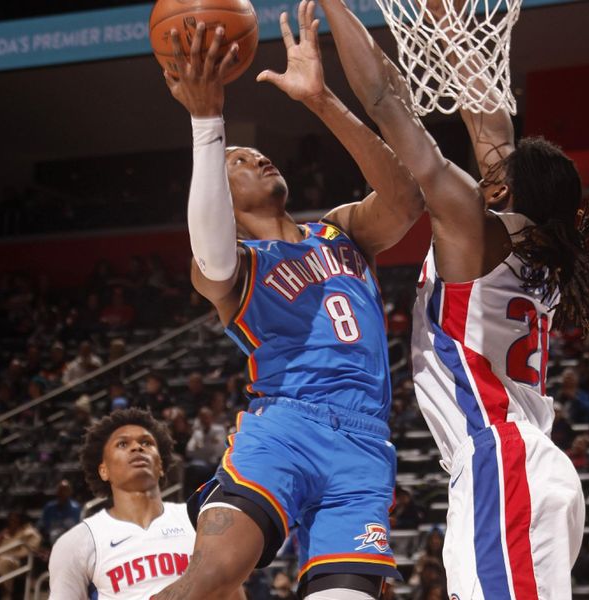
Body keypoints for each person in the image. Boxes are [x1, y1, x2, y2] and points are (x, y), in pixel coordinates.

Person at [318, 0, 589, 596]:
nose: (490, 163)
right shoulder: (539, 246)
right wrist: (448, 27)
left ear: (502, 186)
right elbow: (491, 120)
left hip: (501, 459)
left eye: (499, 168)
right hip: (511, 464)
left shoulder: (475, 225)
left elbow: (384, 103)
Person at [154, 5, 422, 599]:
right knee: (213, 579)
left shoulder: (341, 231)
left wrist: (322, 100)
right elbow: (214, 256)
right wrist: (207, 123)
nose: (254, 158)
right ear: (218, 193)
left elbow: (406, 200)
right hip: (284, 428)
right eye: (237, 161)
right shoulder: (233, 268)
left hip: (364, 445)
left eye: (253, 153)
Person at [48, 408, 196, 598]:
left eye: (146, 442)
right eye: (123, 444)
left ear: (160, 465)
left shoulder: (196, 520)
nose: (137, 448)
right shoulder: (77, 542)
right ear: (103, 470)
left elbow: (231, 590)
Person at [39, 479, 82, 547]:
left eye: (65, 490)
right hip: (51, 542)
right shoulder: (49, 508)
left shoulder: (76, 508)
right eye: (61, 490)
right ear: (57, 491)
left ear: (70, 492)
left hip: (70, 541)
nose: (63, 492)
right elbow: (43, 525)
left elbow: (78, 528)